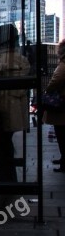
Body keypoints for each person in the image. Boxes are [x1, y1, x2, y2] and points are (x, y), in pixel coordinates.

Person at [0, 24, 30, 182]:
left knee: (0, 149)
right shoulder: (22, 60)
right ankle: (10, 179)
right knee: (6, 146)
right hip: (16, 112)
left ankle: (2, 181)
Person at [44, 38, 65, 172]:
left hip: (62, 106)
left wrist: (48, 89)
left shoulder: (63, 65)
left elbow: (55, 80)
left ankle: (64, 163)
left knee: (62, 136)